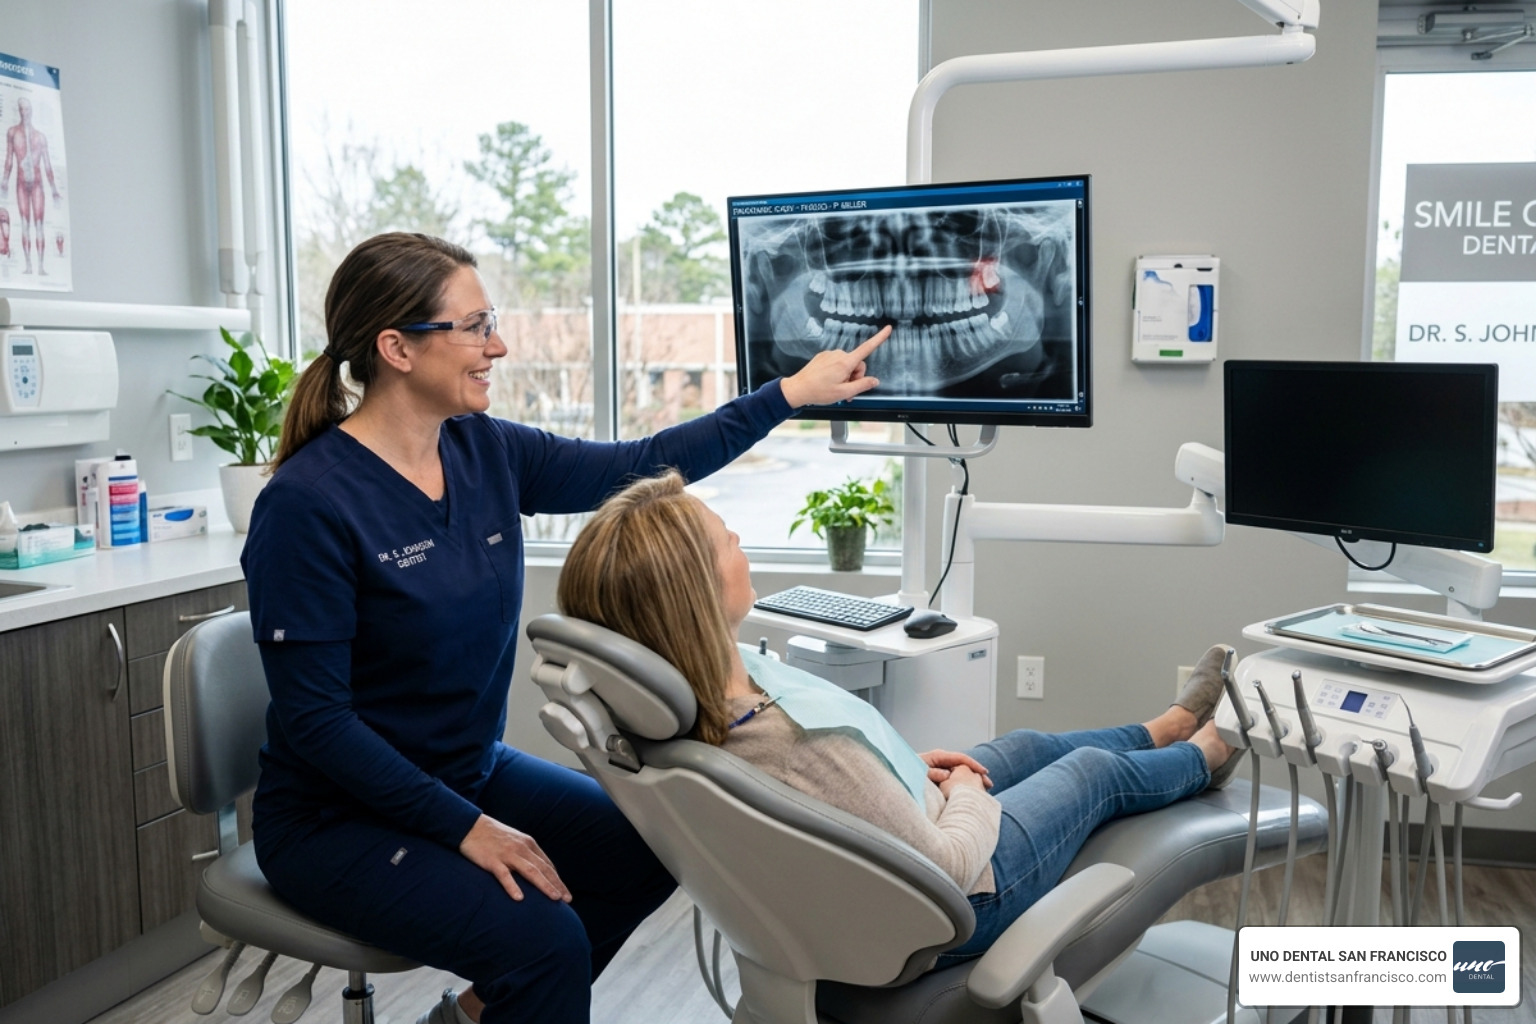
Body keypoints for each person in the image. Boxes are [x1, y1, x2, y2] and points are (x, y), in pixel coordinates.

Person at [239, 232, 890, 1024]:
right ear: (396, 349)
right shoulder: (307, 505)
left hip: (463, 771)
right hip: (334, 820)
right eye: (474, 327)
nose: (497, 346)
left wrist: (786, 395)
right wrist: (467, 828)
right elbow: (318, 723)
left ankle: (472, 1016)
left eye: (492, 322)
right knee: (543, 944)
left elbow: (646, 458)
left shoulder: (485, 450)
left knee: (653, 847)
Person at [556, 471, 1241, 964]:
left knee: (1026, 744)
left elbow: (827, 798)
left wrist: (904, 771)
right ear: (696, 596)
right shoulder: (795, 742)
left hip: (885, 852)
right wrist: (964, 792)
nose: (739, 538)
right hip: (959, 901)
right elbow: (947, 866)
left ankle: (1166, 728)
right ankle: (1208, 753)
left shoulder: (704, 705)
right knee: (1090, 773)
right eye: (724, 540)